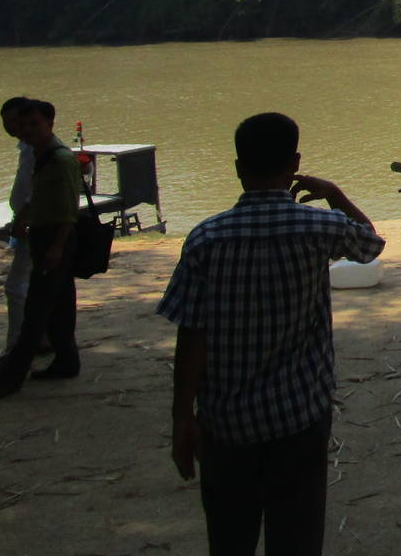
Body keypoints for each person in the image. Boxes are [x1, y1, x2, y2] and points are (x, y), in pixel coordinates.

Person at [158, 112, 384, 555]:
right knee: (296, 537)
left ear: (238, 166)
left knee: (230, 536)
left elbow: (191, 336)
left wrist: (182, 417)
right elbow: (369, 243)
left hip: (226, 422)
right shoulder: (317, 228)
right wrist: (333, 193)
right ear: (294, 165)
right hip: (299, 416)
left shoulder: (206, 239)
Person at [0, 99, 81, 401]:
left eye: (33, 125)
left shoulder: (60, 159)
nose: (26, 131)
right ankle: (66, 361)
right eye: (23, 126)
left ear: (49, 123)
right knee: (60, 306)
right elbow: (37, 196)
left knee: (35, 313)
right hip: (44, 236)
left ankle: (10, 378)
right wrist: (23, 217)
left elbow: (68, 210)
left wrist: (57, 247)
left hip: (55, 239)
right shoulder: (41, 155)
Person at [0, 96, 38, 377]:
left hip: (34, 225)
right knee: (39, 286)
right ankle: (43, 339)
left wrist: (21, 219)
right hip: (32, 223)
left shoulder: (38, 148)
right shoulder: (28, 146)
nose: (9, 126)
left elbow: (34, 189)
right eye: (6, 121)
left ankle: (15, 351)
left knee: (16, 287)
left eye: (14, 121)